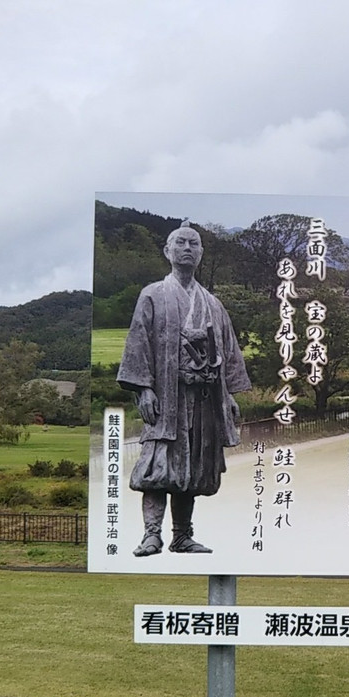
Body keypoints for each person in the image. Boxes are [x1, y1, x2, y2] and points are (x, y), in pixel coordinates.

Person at [117, 221, 251, 556]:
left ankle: (182, 535)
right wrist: (144, 389)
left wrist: (229, 395)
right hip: (167, 395)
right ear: (167, 251)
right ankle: (151, 534)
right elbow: (138, 344)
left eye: (194, 243)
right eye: (181, 242)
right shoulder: (152, 295)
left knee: (191, 466)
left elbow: (227, 350)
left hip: (203, 397)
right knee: (158, 464)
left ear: (202, 253)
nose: (188, 248)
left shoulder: (212, 303)